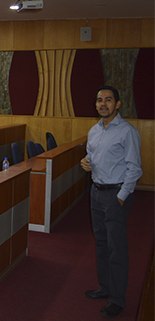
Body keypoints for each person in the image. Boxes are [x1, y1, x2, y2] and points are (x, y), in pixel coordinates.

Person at [80, 86, 142, 319]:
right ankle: (105, 287)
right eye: (99, 100)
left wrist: (121, 196)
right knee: (101, 244)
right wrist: (86, 163)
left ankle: (117, 299)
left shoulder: (127, 132)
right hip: (96, 192)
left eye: (108, 100)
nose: (103, 104)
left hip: (115, 195)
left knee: (117, 249)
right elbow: (91, 157)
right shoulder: (94, 131)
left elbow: (134, 168)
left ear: (117, 104)